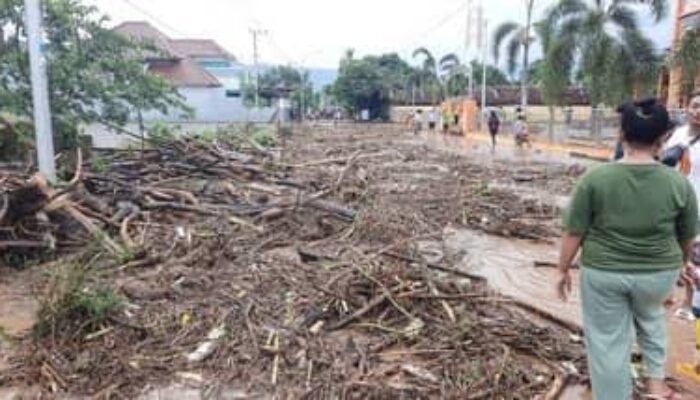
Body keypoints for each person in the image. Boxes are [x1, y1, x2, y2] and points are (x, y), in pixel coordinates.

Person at [557, 98, 697, 400]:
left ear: (621, 134)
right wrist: (682, 264)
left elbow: (574, 231)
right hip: (658, 275)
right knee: (652, 321)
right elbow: (687, 236)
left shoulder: (595, 179)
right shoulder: (678, 183)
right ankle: (656, 385)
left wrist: (562, 269)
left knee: (607, 340)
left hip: (604, 273)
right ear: (662, 138)